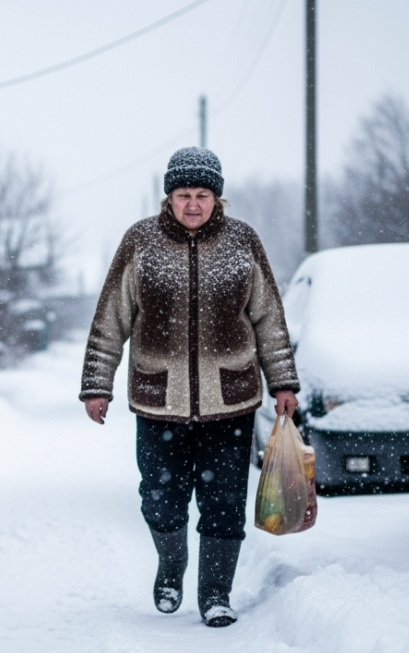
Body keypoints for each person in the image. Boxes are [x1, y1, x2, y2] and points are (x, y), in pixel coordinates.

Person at [80, 147, 299, 627]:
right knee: (160, 500)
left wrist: (283, 380)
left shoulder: (243, 241)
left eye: (202, 194)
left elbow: (269, 320)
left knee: (223, 504)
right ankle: (171, 566)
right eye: (184, 195)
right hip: (159, 402)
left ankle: (216, 594)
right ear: (170, 197)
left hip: (231, 400)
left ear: (217, 198)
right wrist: (98, 383)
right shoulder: (140, 242)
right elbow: (111, 318)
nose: (193, 204)